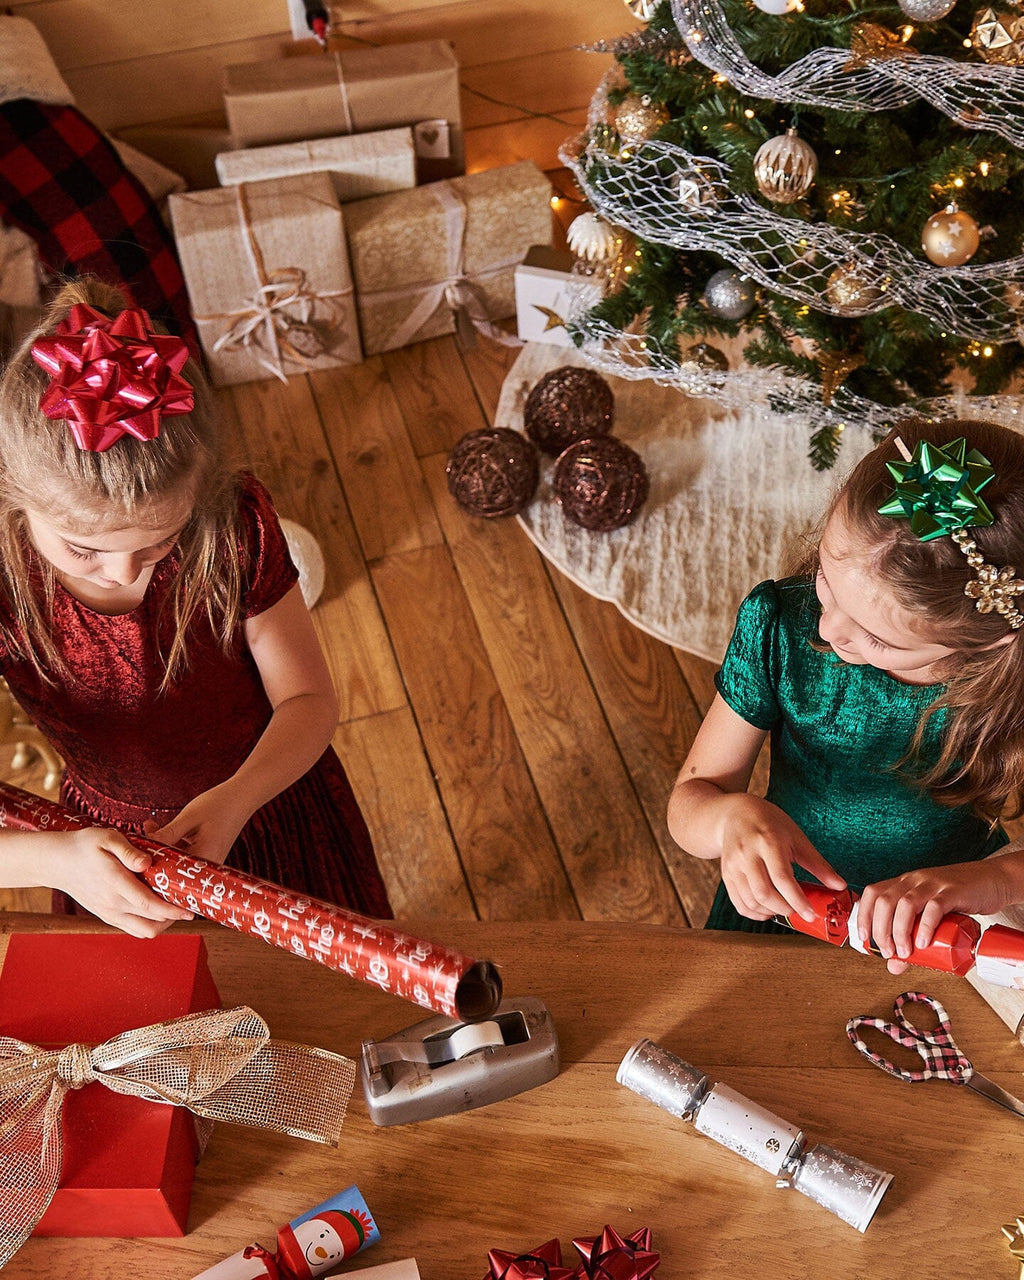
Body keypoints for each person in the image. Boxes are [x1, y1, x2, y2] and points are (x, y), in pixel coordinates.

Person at [0, 277, 392, 936]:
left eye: (160, 540)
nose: (126, 571)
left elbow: (308, 700)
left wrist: (235, 801)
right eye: (84, 549)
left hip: (265, 801)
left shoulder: (233, 527)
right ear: (13, 492)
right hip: (103, 858)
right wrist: (57, 864)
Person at [667, 417, 1024, 973]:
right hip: (788, 906)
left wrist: (994, 879)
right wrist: (728, 817)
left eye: (877, 638)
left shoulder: (1011, 689)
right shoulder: (781, 624)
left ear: (988, 643)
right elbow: (691, 800)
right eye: (826, 582)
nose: (828, 629)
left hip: (940, 927)